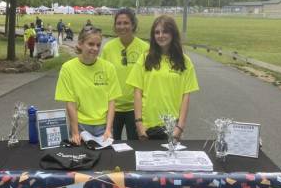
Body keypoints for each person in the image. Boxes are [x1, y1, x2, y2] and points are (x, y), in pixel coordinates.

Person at [126, 15, 199, 140]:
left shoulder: (185, 62)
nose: (161, 35)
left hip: (172, 126)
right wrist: (139, 124)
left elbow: (185, 97)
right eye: (157, 32)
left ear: (173, 34)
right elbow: (137, 92)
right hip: (147, 125)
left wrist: (180, 127)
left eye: (165, 31)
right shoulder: (145, 58)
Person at [55, 26, 121, 145]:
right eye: (90, 44)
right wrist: (75, 132)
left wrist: (108, 129)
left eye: (98, 45)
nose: (95, 48)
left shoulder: (109, 68)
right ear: (80, 44)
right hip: (80, 125)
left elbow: (111, 101)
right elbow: (70, 103)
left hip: (103, 125)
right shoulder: (68, 68)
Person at [101, 8, 149, 140]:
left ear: (133, 25)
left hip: (136, 108)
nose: (122, 26)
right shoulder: (108, 48)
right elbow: (103, 78)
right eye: (119, 23)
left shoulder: (145, 48)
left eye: (126, 23)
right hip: (113, 108)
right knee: (110, 145)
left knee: (134, 146)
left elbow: (150, 78)